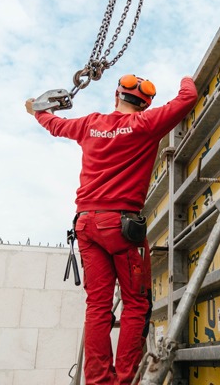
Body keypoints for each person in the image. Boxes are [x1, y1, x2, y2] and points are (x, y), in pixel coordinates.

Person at [25, 74, 197, 384]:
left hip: (86, 223)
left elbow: (54, 125)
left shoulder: (89, 123)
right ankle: (125, 380)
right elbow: (187, 99)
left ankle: (98, 381)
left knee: (98, 306)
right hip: (121, 226)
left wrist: (38, 110)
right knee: (136, 303)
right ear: (146, 103)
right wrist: (186, 79)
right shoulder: (146, 124)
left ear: (116, 96)